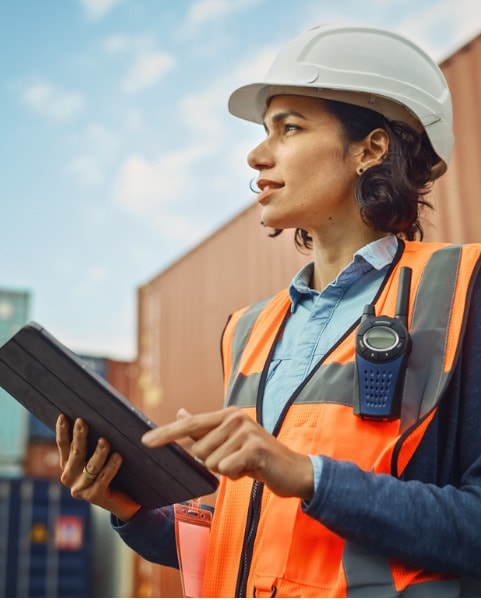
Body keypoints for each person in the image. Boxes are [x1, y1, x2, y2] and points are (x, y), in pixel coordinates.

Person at [56, 23, 481, 597]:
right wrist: (134, 512)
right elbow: (250, 541)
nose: (257, 155)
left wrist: (308, 476)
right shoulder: (250, 329)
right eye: (265, 132)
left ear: (372, 148)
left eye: (290, 128)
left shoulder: (464, 290)